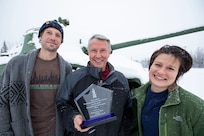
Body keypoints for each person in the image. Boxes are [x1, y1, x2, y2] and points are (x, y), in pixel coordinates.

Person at [0, 20, 72, 136]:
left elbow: (69, 103)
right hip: (22, 131)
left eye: (58, 35)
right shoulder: (16, 65)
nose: (53, 38)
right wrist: (4, 132)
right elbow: (2, 101)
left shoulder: (66, 69)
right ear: (40, 36)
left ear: (61, 41)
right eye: (48, 33)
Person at [56, 34, 131, 136]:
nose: (98, 55)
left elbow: (128, 114)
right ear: (88, 52)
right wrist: (73, 117)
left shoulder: (121, 80)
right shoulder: (74, 78)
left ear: (109, 52)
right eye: (94, 50)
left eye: (103, 50)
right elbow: (61, 104)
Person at [131, 45, 204, 136]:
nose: (161, 72)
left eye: (170, 68)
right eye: (158, 65)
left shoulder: (196, 107)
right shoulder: (134, 97)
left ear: (178, 73)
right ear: (150, 66)